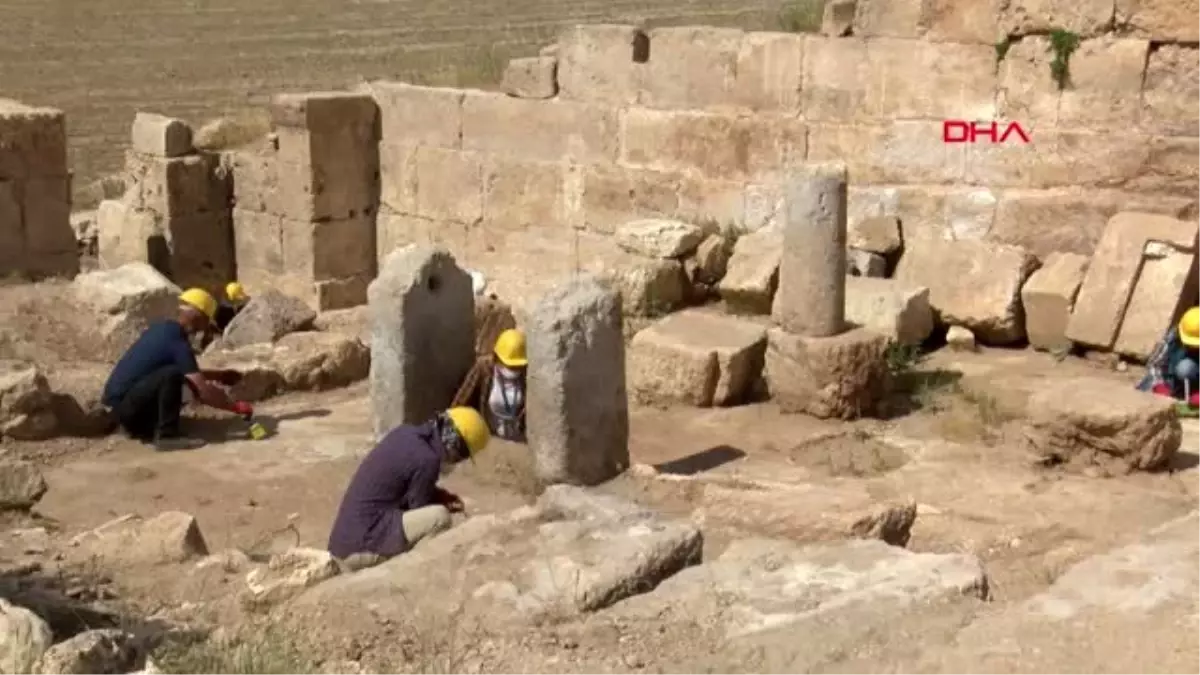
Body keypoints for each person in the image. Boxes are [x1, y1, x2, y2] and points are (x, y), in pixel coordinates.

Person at [326, 407, 491, 565]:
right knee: (440, 518)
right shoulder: (428, 460)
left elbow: (404, 487)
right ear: (456, 447)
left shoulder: (404, 433)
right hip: (360, 551)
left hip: (343, 544)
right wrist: (442, 504)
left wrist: (439, 495)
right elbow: (418, 509)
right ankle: (410, 569)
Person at [101, 288, 255, 451]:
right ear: (197, 316)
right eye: (204, 321)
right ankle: (167, 436)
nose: (202, 329)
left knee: (175, 374)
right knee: (172, 375)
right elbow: (202, 390)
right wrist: (234, 407)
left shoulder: (163, 329)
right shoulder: (178, 343)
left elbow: (188, 372)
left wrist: (219, 375)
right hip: (128, 413)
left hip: (120, 408)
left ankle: (147, 425)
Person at [451, 329, 528, 442]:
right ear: (497, 358)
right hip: (488, 439)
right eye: (508, 364)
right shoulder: (484, 368)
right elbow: (464, 396)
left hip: (516, 441)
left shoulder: (527, 376)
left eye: (517, 366)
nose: (513, 369)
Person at [1138, 307, 1200, 405]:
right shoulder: (1174, 336)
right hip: (1176, 380)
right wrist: (1159, 385)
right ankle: (1178, 391)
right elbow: (1155, 364)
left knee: (1186, 368)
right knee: (1185, 368)